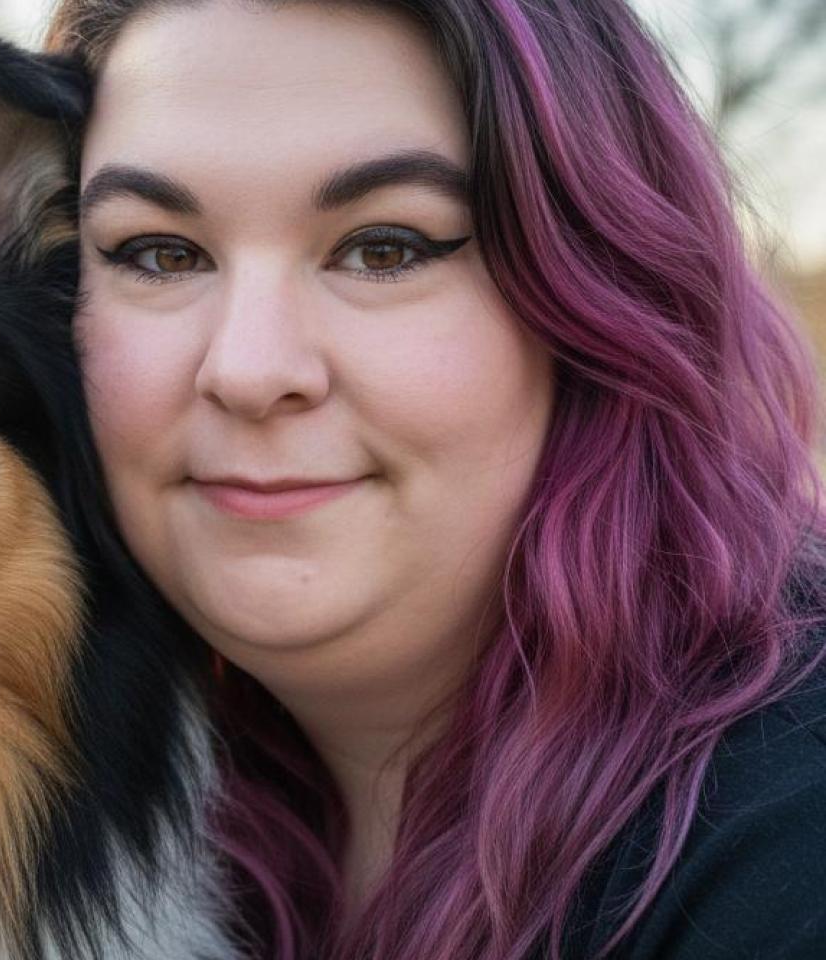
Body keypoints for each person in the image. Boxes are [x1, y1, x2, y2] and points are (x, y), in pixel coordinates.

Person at [43, 1, 826, 957]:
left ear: (600, 297)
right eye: (160, 254)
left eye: (385, 248)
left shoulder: (789, 847)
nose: (247, 369)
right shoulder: (68, 834)